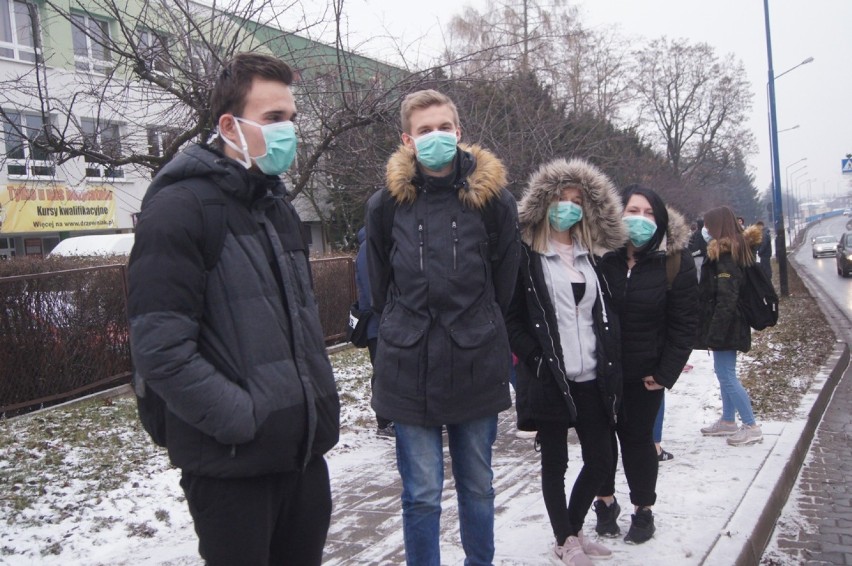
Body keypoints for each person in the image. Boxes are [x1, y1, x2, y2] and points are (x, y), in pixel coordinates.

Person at [127, 53, 340, 566]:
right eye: (273, 119)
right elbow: (160, 350)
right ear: (230, 125)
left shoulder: (276, 207)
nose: (289, 131)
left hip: (302, 456)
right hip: (231, 467)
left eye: (291, 118)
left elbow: (295, 326)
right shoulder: (179, 210)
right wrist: (244, 419)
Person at [365, 89, 520, 565]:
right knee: (422, 493)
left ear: (460, 133)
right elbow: (376, 285)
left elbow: (505, 280)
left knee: (478, 485)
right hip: (407, 367)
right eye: (424, 130)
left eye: (444, 128)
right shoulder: (385, 206)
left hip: (476, 361)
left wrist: (477, 325)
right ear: (407, 140)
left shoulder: (493, 202)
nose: (436, 137)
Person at [505, 157, 624, 566]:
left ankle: (570, 531)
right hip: (551, 376)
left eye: (576, 200)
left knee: (602, 458)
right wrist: (537, 359)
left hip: (592, 374)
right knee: (555, 462)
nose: (568, 207)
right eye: (561, 198)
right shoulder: (526, 255)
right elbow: (512, 317)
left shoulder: (591, 255)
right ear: (545, 203)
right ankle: (565, 538)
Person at [594, 185, 698, 544]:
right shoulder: (601, 257)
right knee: (600, 442)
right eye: (632, 211)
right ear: (618, 215)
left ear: (661, 218)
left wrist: (665, 372)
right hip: (599, 372)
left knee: (638, 443)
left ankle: (643, 510)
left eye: (649, 213)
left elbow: (685, 325)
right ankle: (604, 503)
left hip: (645, 375)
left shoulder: (675, 262)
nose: (640, 219)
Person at [695, 206, 763, 446]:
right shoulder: (733, 249)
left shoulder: (726, 255)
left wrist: (714, 333)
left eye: (707, 225)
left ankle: (751, 425)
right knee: (724, 373)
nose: (704, 230)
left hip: (728, 325)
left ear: (717, 227)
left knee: (726, 375)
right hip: (730, 323)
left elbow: (726, 298)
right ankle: (727, 420)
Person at [355, 226, 394, 438]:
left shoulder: (376, 245)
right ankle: (384, 422)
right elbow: (374, 292)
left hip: (384, 321)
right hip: (376, 324)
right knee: (382, 371)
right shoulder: (369, 249)